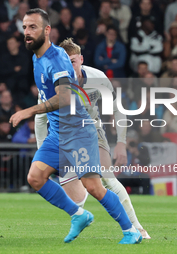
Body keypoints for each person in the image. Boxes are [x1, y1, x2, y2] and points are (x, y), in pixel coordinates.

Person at [9, 8, 142, 244]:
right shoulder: (36, 57)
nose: (27, 33)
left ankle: (131, 230)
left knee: (96, 186)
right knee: (35, 177)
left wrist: (27, 111)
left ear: (47, 30)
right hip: (57, 134)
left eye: (33, 27)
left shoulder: (57, 59)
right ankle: (79, 215)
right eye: (25, 28)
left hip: (80, 133)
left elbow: (65, 98)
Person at [41, 37, 148, 239]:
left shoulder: (98, 78)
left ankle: (137, 228)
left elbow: (117, 108)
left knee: (108, 179)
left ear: (81, 59)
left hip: (91, 131)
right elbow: (40, 117)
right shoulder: (50, 81)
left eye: (73, 60)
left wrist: (121, 144)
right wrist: (41, 147)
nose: (69, 65)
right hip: (62, 136)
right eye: (65, 61)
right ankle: (80, 215)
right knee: (65, 188)